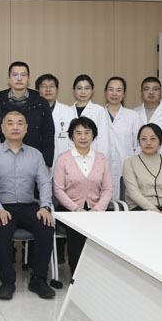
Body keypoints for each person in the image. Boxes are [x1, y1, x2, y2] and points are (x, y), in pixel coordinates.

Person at [0, 111, 56, 301]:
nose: (15, 127)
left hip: (29, 206)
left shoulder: (36, 154)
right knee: (3, 229)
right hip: (3, 206)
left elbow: (44, 182)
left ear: (26, 128)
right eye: (10, 123)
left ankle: (38, 279)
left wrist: (45, 206)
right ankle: (7, 282)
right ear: (2, 128)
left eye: (20, 123)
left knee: (46, 226)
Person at [53, 117, 113, 276]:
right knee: (76, 232)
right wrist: (77, 209)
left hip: (96, 209)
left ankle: (101, 274)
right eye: (78, 133)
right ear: (72, 136)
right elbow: (58, 189)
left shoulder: (101, 158)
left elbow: (107, 188)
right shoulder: (63, 158)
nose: (83, 137)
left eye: (87, 132)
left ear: (93, 135)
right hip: (69, 210)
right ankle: (78, 276)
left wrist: (97, 209)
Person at [0, 61, 55, 167]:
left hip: (34, 161)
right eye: (15, 75)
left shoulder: (41, 102)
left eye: (23, 75)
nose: (19, 79)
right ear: (8, 78)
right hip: (3, 161)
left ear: (28, 79)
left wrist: (46, 162)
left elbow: (48, 133)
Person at [122, 124, 162, 221]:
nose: (148, 142)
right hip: (141, 209)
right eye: (143, 139)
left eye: (153, 139)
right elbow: (133, 192)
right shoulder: (130, 162)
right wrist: (153, 210)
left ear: (160, 141)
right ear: (139, 141)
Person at [103, 77, 140, 200]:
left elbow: (138, 146)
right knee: (104, 204)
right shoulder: (98, 115)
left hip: (126, 167)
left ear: (124, 94)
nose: (114, 93)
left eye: (118, 90)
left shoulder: (133, 116)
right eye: (111, 89)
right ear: (105, 92)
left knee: (125, 202)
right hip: (102, 167)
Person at [133, 77, 162, 168]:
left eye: (155, 89)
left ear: (161, 92)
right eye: (147, 89)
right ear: (141, 92)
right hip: (139, 163)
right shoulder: (134, 113)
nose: (151, 92)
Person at [36, 73, 76, 166]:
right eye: (44, 86)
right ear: (37, 90)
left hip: (64, 161)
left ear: (57, 90)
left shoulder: (68, 111)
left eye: (52, 86)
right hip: (38, 161)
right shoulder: (33, 112)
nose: (48, 89)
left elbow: (74, 139)